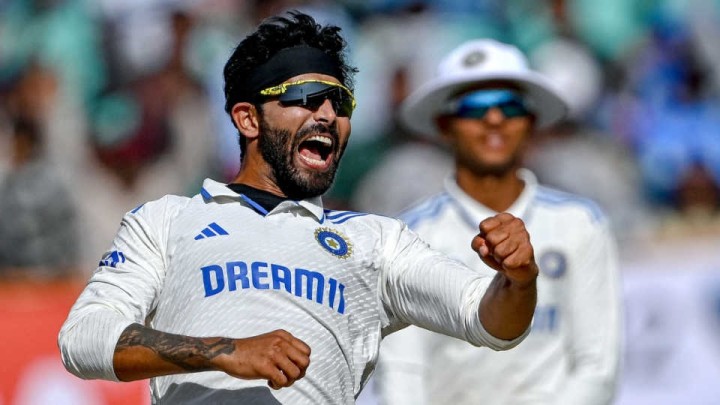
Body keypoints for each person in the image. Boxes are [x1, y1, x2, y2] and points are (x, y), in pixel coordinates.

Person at [58, 12, 541, 405]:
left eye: (340, 102)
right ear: (248, 119)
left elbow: (492, 321)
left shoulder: (377, 241)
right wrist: (223, 351)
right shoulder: (166, 220)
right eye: (306, 98)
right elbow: (83, 338)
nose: (328, 114)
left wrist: (518, 279)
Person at [371, 39, 622, 405]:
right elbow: (402, 371)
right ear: (445, 125)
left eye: (510, 105)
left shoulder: (581, 223)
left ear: (531, 121)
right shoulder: (406, 236)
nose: (494, 119)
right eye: (473, 108)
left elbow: (596, 367)